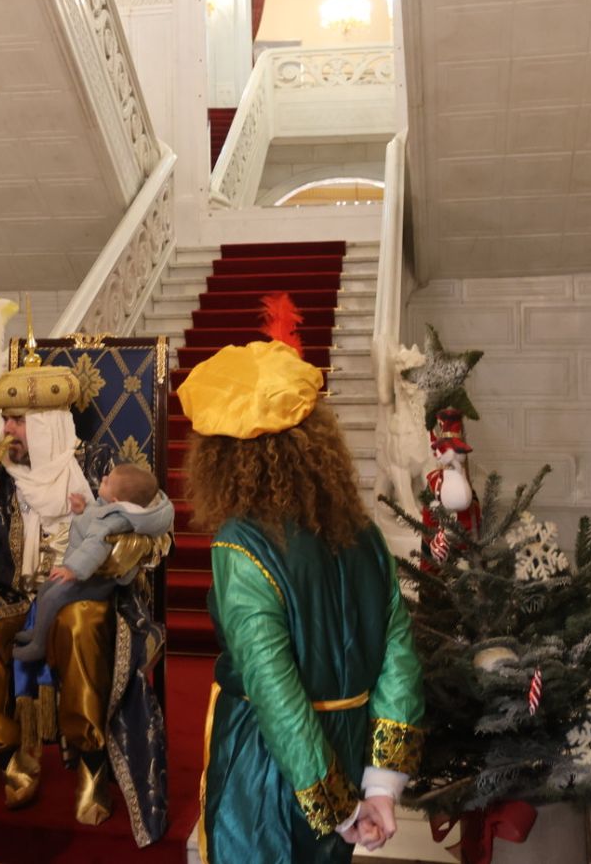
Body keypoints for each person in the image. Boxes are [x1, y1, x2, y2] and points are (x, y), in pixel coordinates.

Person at [178, 340, 425, 864]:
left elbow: (274, 688)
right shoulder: (364, 535)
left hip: (270, 762)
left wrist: (334, 801)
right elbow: (399, 660)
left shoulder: (241, 544)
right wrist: (380, 786)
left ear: (221, 457)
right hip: (349, 746)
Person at [0, 352, 172, 846]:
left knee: (80, 626)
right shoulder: (1, 472)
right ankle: (9, 756)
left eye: (16, 420)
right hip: (13, 589)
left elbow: (151, 520)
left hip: (83, 591)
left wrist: (125, 549)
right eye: (7, 418)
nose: (6, 429)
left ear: (48, 423)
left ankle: (93, 763)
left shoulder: (96, 464)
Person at [10, 463, 170, 663]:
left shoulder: (112, 523)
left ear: (116, 500)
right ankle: (36, 632)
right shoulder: (117, 510)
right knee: (46, 590)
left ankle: (39, 645)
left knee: (53, 597)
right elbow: (99, 513)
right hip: (88, 574)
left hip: (94, 580)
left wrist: (73, 570)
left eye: (107, 481)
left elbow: (95, 546)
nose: (103, 478)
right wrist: (83, 509)